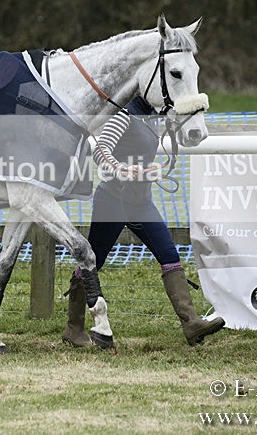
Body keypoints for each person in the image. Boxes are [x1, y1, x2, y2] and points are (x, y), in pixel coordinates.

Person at [62, 95, 225, 347]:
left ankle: (191, 323)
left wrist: (151, 170)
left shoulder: (153, 115)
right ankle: (74, 329)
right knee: (93, 261)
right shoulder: (123, 114)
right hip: (112, 202)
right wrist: (122, 169)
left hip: (141, 202)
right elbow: (101, 149)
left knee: (169, 255)